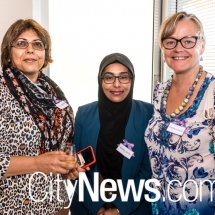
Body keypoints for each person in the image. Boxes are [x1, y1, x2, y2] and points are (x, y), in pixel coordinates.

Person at [0, 19, 78, 214]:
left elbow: (63, 145)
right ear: (9, 52)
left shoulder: (53, 93)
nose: (30, 50)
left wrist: (66, 166)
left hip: (57, 204)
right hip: (15, 207)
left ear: (45, 53)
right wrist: (37, 163)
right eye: (21, 43)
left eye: (37, 44)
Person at [144, 11, 215, 215]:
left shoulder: (212, 92)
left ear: (202, 45)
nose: (178, 48)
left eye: (188, 41)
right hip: (159, 206)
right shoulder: (160, 91)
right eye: (170, 41)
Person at [70, 53, 153, 215]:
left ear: (132, 80)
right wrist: (97, 207)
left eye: (123, 77)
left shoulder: (147, 113)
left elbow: (147, 169)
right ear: (100, 81)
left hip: (133, 206)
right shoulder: (84, 114)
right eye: (109, 77)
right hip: (89, 206)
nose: (116, 84)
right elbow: (78, 166)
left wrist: (120, 209)